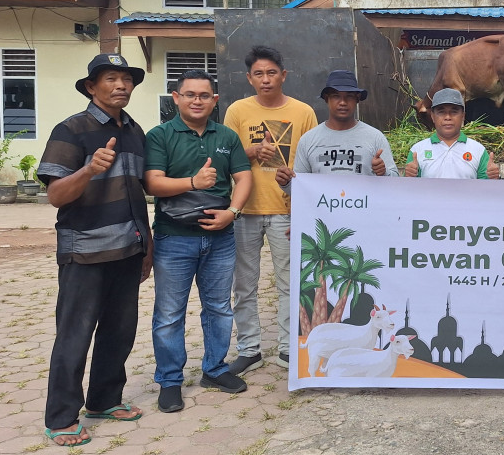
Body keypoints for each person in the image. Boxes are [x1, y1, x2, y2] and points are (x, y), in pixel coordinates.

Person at [37, 54, 153, 447]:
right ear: (91, 86)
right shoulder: (72, 129)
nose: (121, 85)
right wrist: (88, 170)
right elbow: (55, 195)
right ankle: (61, 416)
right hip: (84, 251)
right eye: (110, 78)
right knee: (75, 334)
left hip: (128, 248)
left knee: (119, 333)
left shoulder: (135, 131)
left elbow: (137, 192)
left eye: (126, 79)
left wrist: (146, 248)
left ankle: (104, 400)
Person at [144, 70, 254, 413]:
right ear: (175, 98)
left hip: (220, 238)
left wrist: (232, 212)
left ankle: (215, 369)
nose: (197, 101)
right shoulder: (160, 135)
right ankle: (170, 380)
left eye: (204, 96)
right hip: (174, 238)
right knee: (169, 313)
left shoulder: (227, 136)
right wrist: (193, 182)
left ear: (214, 100)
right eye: (189, 94)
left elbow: (244, 176)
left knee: (219, 308)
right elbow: (152, 183)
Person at [224, 46, 317, 375]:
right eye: (259, 74)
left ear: (283, 75)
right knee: (244, 284)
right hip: (245, 210)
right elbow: (226, 159)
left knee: (290, 283)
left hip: (287, 211)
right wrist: (250, 150)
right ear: (249, 78)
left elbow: (310, 165)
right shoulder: (237, 111)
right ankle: (249, 349)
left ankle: (289, 348)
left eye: (272, 73)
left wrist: (302, 205)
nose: (266, 79)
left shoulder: (303, 112)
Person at [276, 70, 398, 190]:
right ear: (326, 99)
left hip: (365, 209)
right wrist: (285, 182)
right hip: (323, 210)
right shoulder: (308, 140)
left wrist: (383, 172)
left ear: (357, 99)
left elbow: (396, 184)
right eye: (336, 96)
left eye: (349, 96)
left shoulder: (375, 138)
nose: (343, 102)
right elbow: (300, 190)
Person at [404, 88, 500, 179]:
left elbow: (486, 189)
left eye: (454, 112)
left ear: (463, 116)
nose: (448, 117)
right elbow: (409, 190)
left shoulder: (478, 151)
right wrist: (409, 177)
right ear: (432, 116)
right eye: (441, 112)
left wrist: (493, 178)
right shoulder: (417, 150)